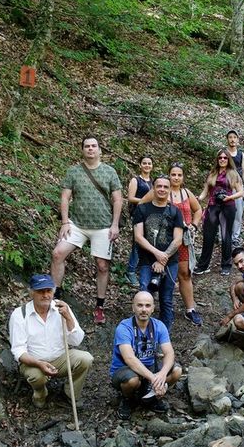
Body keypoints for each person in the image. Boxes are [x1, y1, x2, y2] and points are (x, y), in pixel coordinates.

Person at [52, 137, 122, 324]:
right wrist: (65, 222)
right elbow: (65, 197)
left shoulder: (109, 172)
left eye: (94, 146)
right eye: (87, 146)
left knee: (102, 265)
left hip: (103, 225)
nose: (90, 149)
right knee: (58, 254)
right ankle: (55, 296)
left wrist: (115, 224)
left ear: (100, 150)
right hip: (76, 224)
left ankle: (99, 305)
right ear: (82, 150)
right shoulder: (73, 171)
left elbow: (117, 199)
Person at [9, 274, 93, 408]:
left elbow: (76, 341)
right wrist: (39, 363)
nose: (45, 295)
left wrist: (68, 317)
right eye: (40, 291)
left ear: (53, 292)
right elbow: (18, 351)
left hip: (60, 358)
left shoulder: (61, 308)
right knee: (37, 376)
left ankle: (70, 394)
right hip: (33, 362)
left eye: (48, 291)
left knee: (86, 359)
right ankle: (40, 394)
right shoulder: (20, 314)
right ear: (31, 293)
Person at [110, 291, 183, 420]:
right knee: (132, 380)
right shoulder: (124, 328)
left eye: (148, 305)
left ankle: (152, 396)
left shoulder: (159, 326)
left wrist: (162, 375)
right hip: (126, 370)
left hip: (150, 368)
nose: (144, 309)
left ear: (153, 308)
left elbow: (169, 353)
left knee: (177, 371)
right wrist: (154, 379)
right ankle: (127, 399)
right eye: (140, 305)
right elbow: (129, 358)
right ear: (133, 307)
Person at [133, 175, 184, 331]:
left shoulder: (175, 212)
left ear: (170, 189)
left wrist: (163, 258)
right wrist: (158, 254)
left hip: (170, 262)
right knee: (144, 295)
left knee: (166, 299)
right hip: (146, 260)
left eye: (165, 187)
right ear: (153, 188)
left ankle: (163, 334)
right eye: (159, 186)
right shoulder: (142, 209)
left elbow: (178, 240)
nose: (162, 189)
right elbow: (138, 236)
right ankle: (141, 332)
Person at [194, 149, 243, 276]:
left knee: (226, 236)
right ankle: (203, 265)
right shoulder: (212, 173)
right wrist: (198, 198)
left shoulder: (233, 173)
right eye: (220, 157)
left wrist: (230, 197)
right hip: (212, 206)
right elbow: (205, 191)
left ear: (228, 159)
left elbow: (241, 192)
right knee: (208, 236)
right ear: (217, 159)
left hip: (228, 206)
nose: (222, 159)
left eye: (225, 158)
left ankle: (226, 265)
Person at [125, 156, 154, 286]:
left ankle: (143, 269)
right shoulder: (136, 180)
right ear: (140, 165)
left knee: (149, 243)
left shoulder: (153, 182)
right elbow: (131, 198)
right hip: (138, 215)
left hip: (151, 215)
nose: (147, 165)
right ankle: (130, 271)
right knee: (137, 243)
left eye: (149, 163)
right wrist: (146, 200)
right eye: (144, 163)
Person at [226, 130, 244, 247]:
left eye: (234, 137)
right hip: (226, 186)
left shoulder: (241, 154)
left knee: (238, 214)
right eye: (230, 137)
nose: (232, 139)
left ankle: (235, 237)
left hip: (239, 187)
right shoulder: (223, 153)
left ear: (238, 140)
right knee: (224, 213)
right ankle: (224, 236)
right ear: (227, 139)